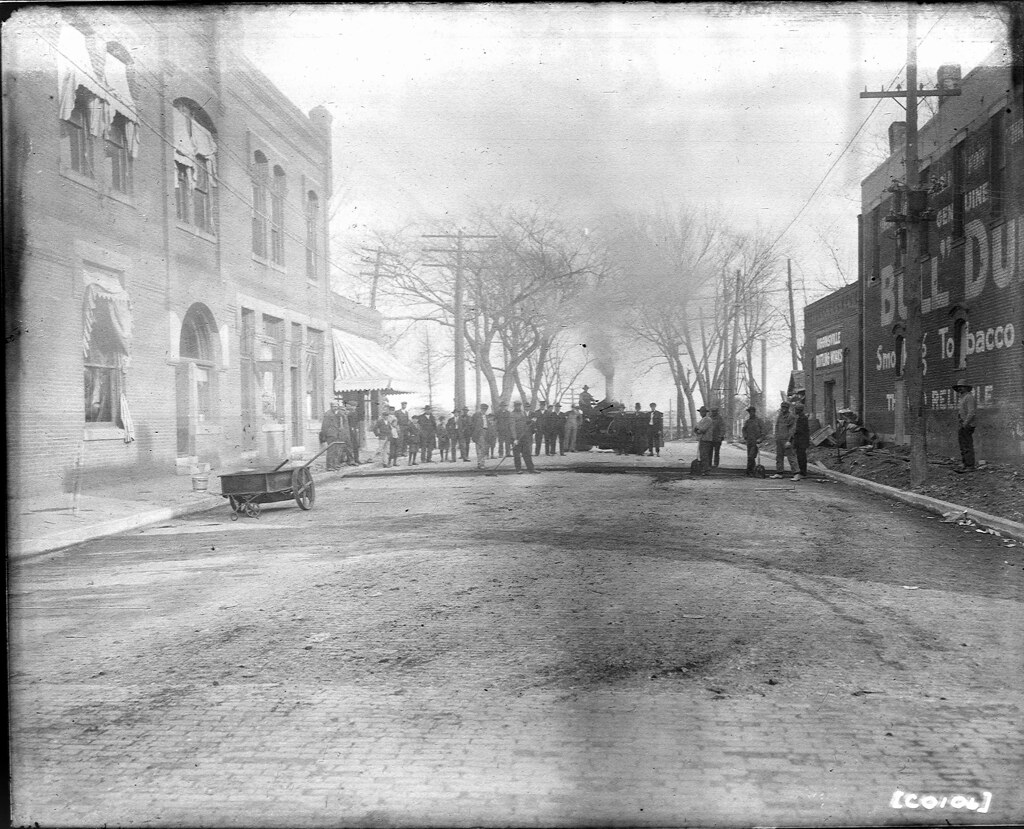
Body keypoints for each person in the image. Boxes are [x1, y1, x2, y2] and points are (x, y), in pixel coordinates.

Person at [769, 401, 798, 479]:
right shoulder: (780, 416)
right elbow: (777, 426)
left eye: (785, 407)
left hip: (787, 440)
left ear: (788, 408)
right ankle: (779, 472)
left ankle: (796, 474)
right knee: (779, 457)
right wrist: (776, 437)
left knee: (791, 457)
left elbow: (792, 429)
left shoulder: (791, 417)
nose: (783, 409)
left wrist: (789, 440)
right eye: (782, 407)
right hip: (779, 439)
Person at [954, 380, 977, 470]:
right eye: (959, 387)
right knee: (963, 445)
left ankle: (970, 465)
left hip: (967, 425)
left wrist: (965, 423)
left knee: (967, 445)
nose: (960, 388)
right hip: (962, 424)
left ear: (967, 388)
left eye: (962, 386)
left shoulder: (969, 397)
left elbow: (971, 412)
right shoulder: (962, 398)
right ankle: (965, 463)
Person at [509, 401, 538, 473]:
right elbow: (512, 427)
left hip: (524, 437)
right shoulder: (512, 414)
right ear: (514, 406)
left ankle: (531, 469)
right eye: (517, 406)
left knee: (527, 453)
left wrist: (531, 421)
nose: (518, 407)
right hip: (517, 438)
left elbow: (525, 422)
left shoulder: (522, 413)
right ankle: (518, 469)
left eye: (519, 406)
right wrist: (514, 438)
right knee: (517, 455)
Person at [319, 397, 346, 471]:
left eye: (337, 406)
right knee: (331, 450)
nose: (335, 408)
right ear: (331, 406)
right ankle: (329, 466)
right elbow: (324, 426)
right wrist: (323, 436)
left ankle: (335, 465)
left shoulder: (336, 414)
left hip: (336, 434)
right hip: (330, 435)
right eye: (334, 406)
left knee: (336, 450)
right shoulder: (328, 414)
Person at [741, 405, 763, 476]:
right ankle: (751, 471)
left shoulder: (759, 421)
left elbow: (763, 431)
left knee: (751, 456)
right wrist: (745, 436)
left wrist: (760, 439)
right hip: (749, 441)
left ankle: (750, 470)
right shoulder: (748, 421)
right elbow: (744, 429)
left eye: (751, 412)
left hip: (755, 441)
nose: (750, 413)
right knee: (749, 457)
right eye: (749, 412)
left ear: (754, 412)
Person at [791, 403, 810, 480]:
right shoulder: (801, 417)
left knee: (801, 457)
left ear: (799, 410)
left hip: (801, 440)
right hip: (801, 440)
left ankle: (802, 473)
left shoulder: (802, 418)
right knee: (800, 456)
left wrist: (794, 434)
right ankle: (802, 472)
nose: (795, 411)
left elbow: (800, 430)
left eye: (796, 409)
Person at [694, 405, 715, 473]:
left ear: (705, 412)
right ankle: (704, 468)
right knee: (702, 455)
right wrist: (697, 430)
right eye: (700, 412)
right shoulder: (702, 420)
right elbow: (695, 428)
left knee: (705, 455)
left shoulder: (708, 419)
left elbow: (703, 429)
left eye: (703, 412)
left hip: (707, 439)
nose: (701, 413)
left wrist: (698, 430)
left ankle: (706, 469)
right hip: (702, 439)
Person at [471, 404, 492, 469]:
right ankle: (480, 463)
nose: (484, 410)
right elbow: (472, 425)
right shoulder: (476, 415)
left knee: (484, 448)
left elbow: (488, 425)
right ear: (481, 409)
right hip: (479, 433)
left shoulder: (486, 416)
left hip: (486, 432)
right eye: (483, 409)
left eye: (485, 409)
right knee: (480, 448)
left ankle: (481, 462)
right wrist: (474, 433)